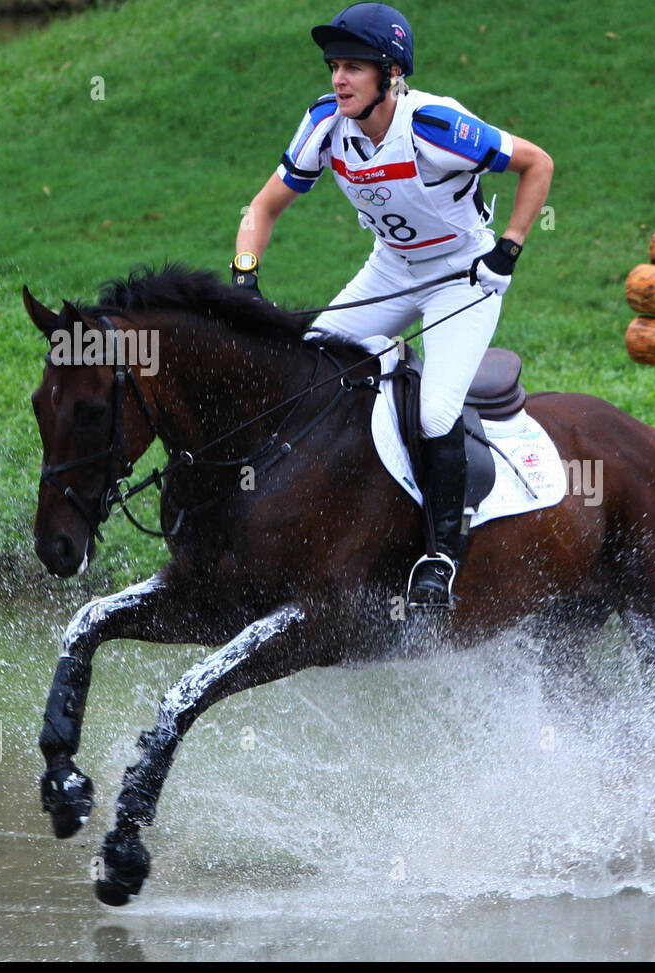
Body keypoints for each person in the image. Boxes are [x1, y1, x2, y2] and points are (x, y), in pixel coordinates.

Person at [232, 3, 554, 611]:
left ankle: (441, 554)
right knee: (310, 377)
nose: (338, 80)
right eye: (334, 67)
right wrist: (245, 278)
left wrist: (507, 251)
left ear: (391, 75)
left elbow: (538, 164)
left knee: (436, 412)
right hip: (391, 270)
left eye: (353, 67)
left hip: (462, 277)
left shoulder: (433, 124)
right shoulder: (325, 124)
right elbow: (261, 209)